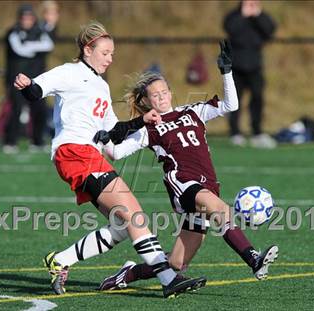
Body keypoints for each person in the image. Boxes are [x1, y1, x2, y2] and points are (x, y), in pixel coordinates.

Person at [14, 21, 206, 298]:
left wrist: (142, 120)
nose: (110, 58)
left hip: (90, 154)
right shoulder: (69, 73)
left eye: (112, 53)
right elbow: (35, 92)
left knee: (121, 226)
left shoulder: (102, 86)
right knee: (134, 214)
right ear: (87, 49)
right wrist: (26, 85)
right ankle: (167, 279)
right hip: (74, 152)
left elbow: (111, 133)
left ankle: (60, 260)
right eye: (105, 52)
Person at [93, 40, 279, 290]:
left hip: (208, 185)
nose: (160, 97)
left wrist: (227, 73)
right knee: (221, 211)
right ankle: (253, 259)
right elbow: (115, 153)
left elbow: (230, 105)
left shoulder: (193, 112)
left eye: (163, 92)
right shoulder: (149, 127)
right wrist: (103, 138)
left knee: (177, 263)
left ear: (170, 93)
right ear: (147, 101)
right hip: (183, 183)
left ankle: (128, 274)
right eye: (154, 95)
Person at [223, 0, 277, 148]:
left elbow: (270, 31)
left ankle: (257, 132)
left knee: (257, 99)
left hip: (255, 67)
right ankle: (235, 133)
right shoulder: (234, 16)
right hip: (236, 66)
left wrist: (258, 15)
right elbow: (230, 29)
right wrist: (243, 15)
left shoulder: (261, 17)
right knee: (234, 101)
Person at [3, 3, 55, 154]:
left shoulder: (40, 31)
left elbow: (48, 45)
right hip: (17, 79)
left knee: (39, 109)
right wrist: (35, 47)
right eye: (24, 17)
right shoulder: (12, 32)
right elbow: (20, 49)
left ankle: (37, 142)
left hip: (36, 79)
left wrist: (30, 46)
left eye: (29, 17)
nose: (27, 20)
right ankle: (10, 142)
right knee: (16, 109)